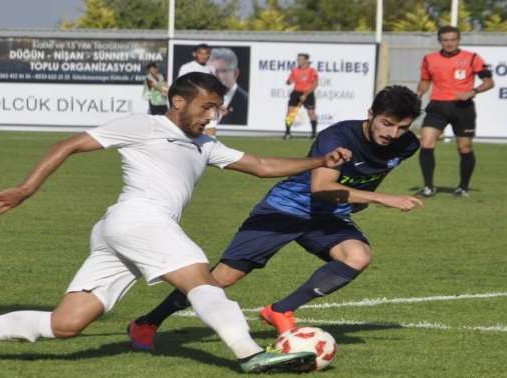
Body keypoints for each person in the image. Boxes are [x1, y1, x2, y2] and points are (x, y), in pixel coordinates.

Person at [0, 73, 352, 373]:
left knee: (65, 324)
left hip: (118, 232)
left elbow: (258, 164)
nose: (210, 117)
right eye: (205, 107)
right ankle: (249, 354)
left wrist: (319, 159)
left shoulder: (204, 143)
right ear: (178, 101)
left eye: (216, 109)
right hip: (138, 219)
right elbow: (67, 143)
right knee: (202, 280)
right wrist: (27, 187)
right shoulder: (142, 125)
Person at [127, 86, 424, 350]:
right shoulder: (337, 137)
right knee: (220, 279)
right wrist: (381, 198)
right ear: (370, 114)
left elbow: (369, 174)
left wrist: (361, 199)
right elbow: (321, 187)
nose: (392, 134)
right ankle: (148, 322)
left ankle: (280, 310)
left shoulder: (407, 145)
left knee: (357, 255)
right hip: (285, 209)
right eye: (386, 124)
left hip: (328, 216)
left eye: (402, 127)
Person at [416, 25, 494, 198]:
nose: (449, 43)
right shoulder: (429, 59)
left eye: (453, 39)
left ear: (458, 40)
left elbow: (489, 82)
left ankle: (463, 187)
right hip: (437, 106)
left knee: (464, 148)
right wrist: (419, 92)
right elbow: (425, 81)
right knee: (426, 143)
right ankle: (429, 187)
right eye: (445, 40)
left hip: (462, 108)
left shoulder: (472, 58)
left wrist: (473, 92)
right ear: (439, 41)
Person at [177, 44, 219, 136]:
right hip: (193, 106)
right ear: (194, 54)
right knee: (191, 134)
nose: (204, 56)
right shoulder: (187, 67)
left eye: (206, 53)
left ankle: (209, 150)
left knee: (211, 131)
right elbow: (180, 86)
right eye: (201, 53)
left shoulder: (211, 69)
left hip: (209, 106)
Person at [209, 47, 249, 126]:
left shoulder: (247, 102)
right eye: (211, 71)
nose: (214, 76)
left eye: (222, 71)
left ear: (235, 73)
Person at [284, 53, 318, 140]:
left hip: (308, 93)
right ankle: (287, 133)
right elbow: (290, 81)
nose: (299, 61)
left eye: (301, 59)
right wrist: (289, 82)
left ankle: (314, 134)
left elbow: (315, 84)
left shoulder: (312, 71)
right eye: (298, 59)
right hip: (296, 93)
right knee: (290, 113)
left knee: (311, 113)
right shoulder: (294, 70)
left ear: (306, 60)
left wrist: (305, 94)